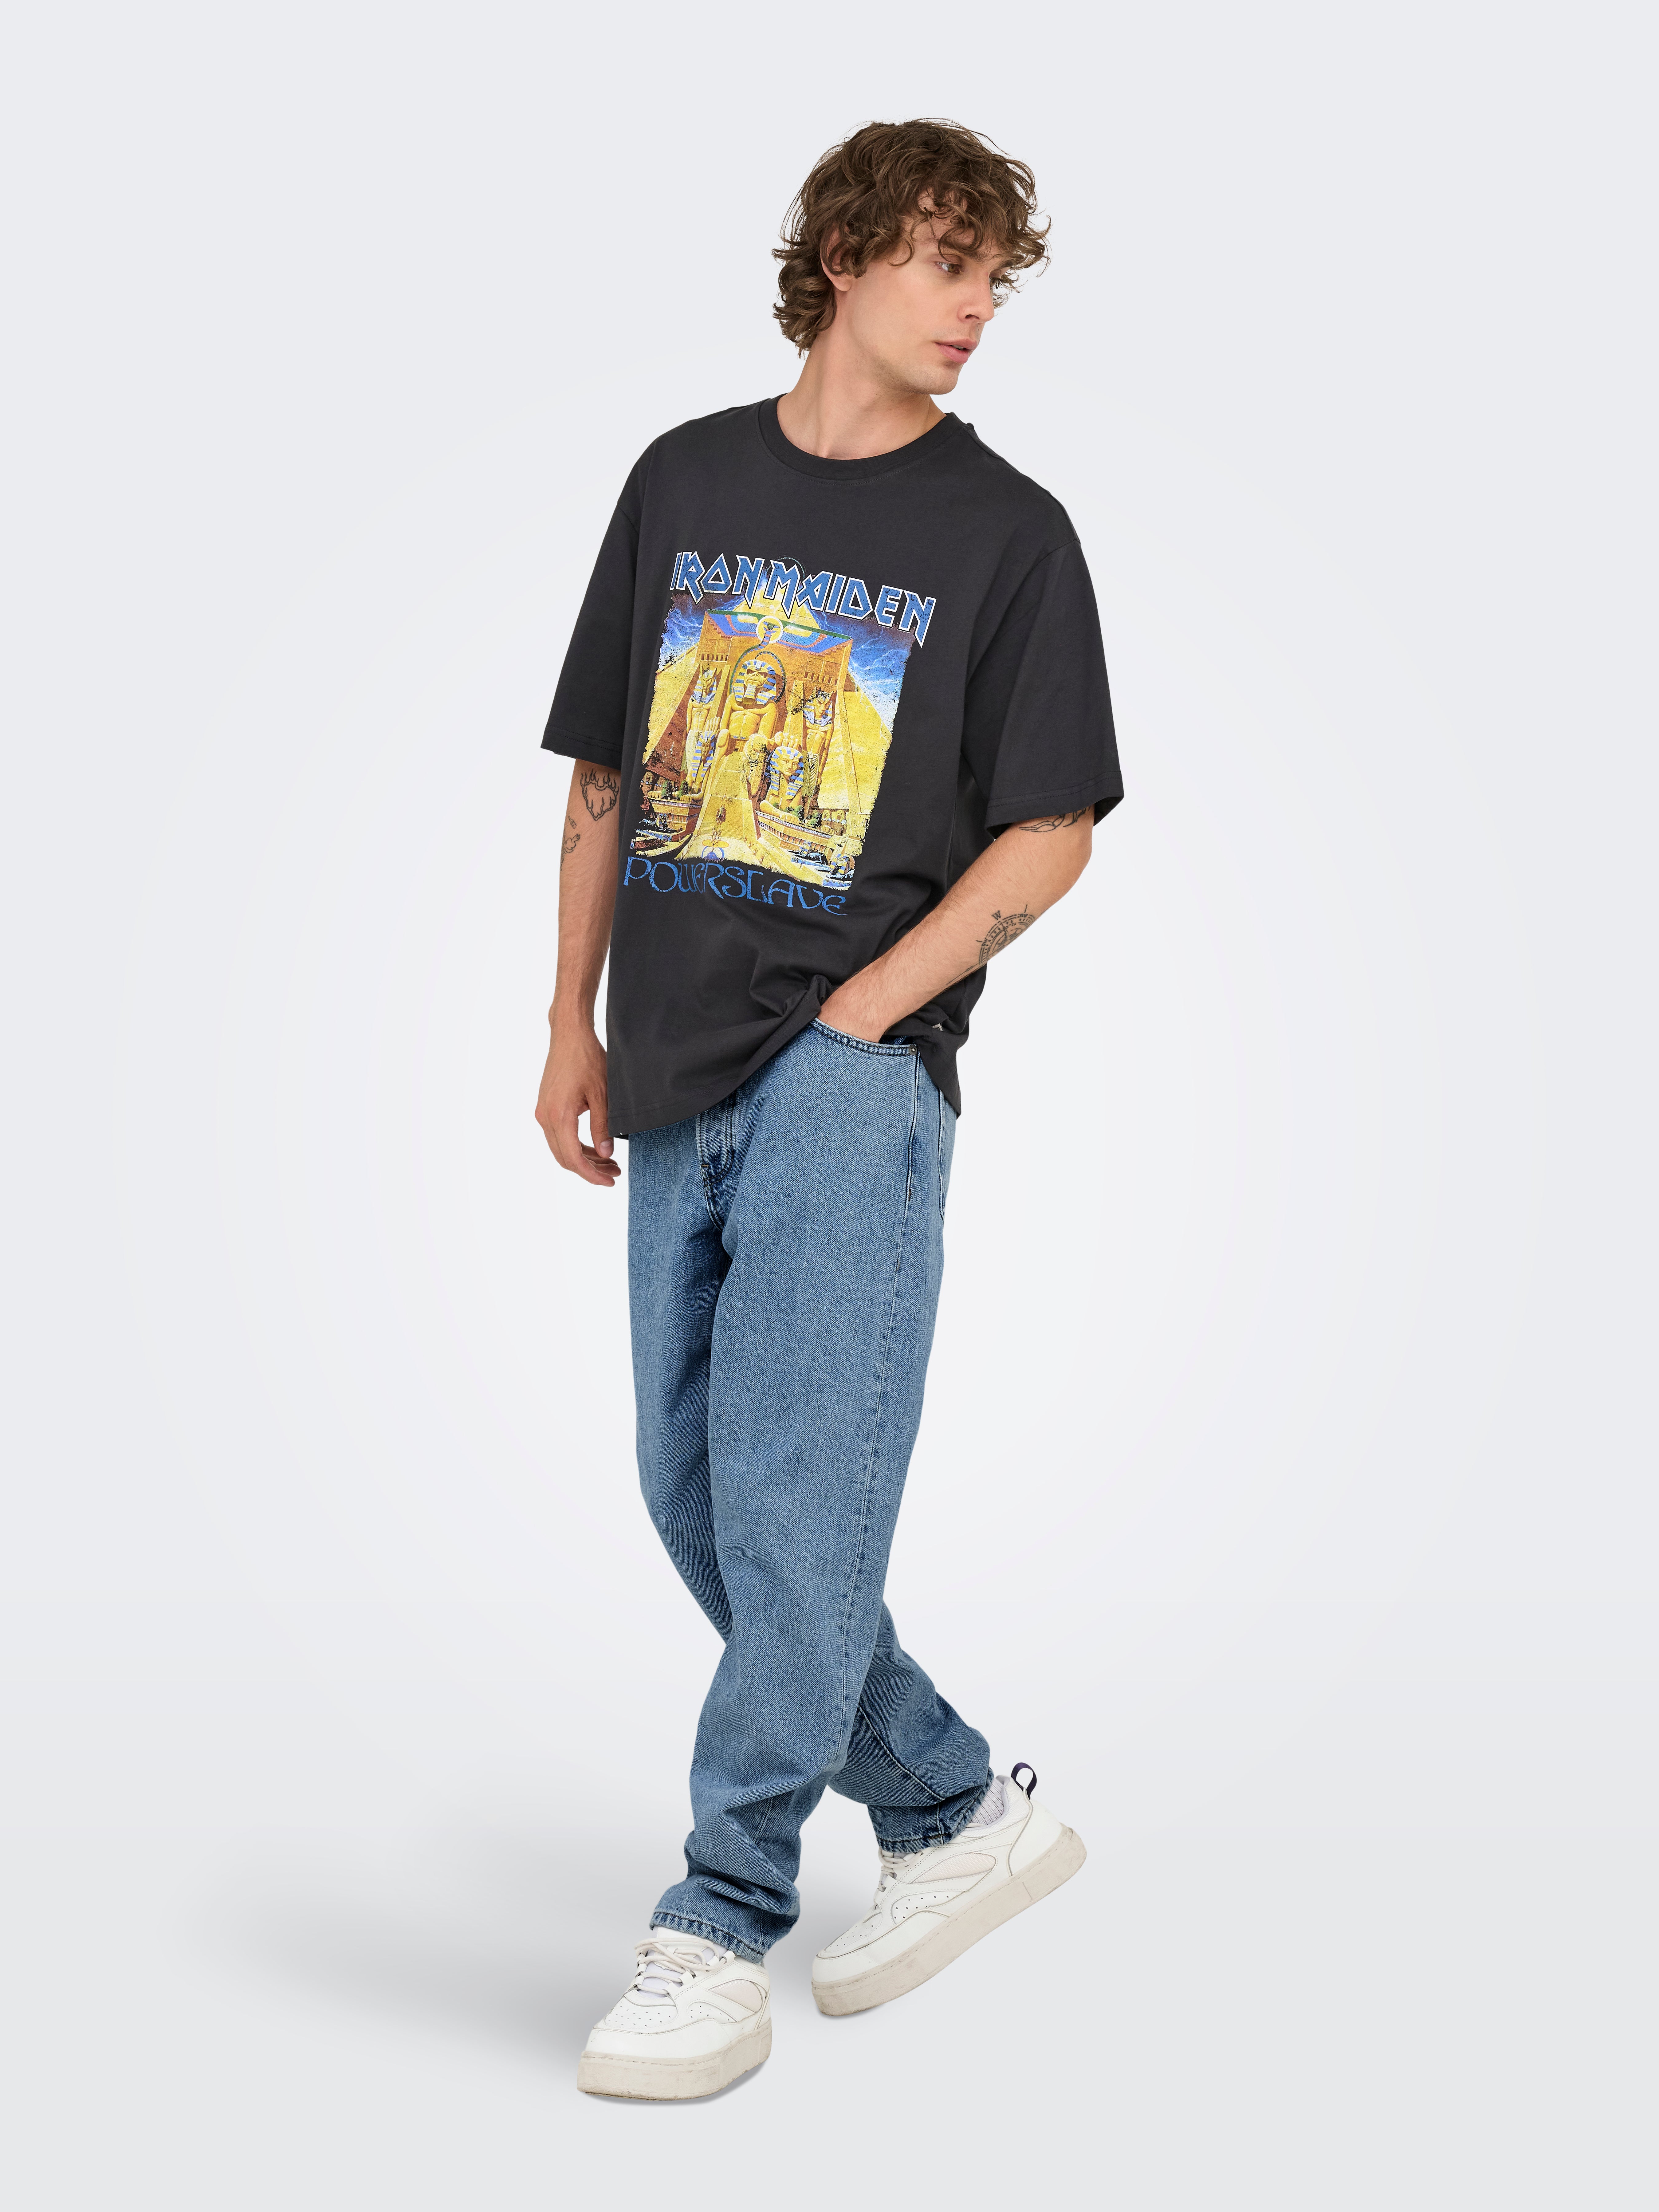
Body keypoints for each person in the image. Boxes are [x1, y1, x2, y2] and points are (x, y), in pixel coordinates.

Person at [535, 117, 1122, 2102]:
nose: (975, 309)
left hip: (847, 1084)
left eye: (995, 278)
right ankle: (951, 1808)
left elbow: (1053, 827)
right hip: (670, 1059)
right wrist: (565, 1020)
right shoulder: (683, 479)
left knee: (795, 1505)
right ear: (846, 258)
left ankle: (718, 1922)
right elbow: (607, 774)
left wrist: (872, 1008)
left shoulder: (1008, 533)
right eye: (947, 264)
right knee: (696, 1493)